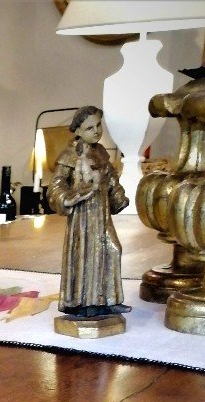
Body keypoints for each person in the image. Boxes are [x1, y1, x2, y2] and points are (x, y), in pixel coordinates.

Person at [47, 106, 130, 319]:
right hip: (83, 217)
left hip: (101, 215)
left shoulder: (101, 152)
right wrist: (71, 196)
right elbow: (56, 186)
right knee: (85, 256)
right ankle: (82, 304)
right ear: (78, 131)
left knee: (113, 249)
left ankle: (107, 300)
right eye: (89, 127)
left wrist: (118, 196)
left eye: (98, 125)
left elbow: (110, 179)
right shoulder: (70, 155)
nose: (96, 131)